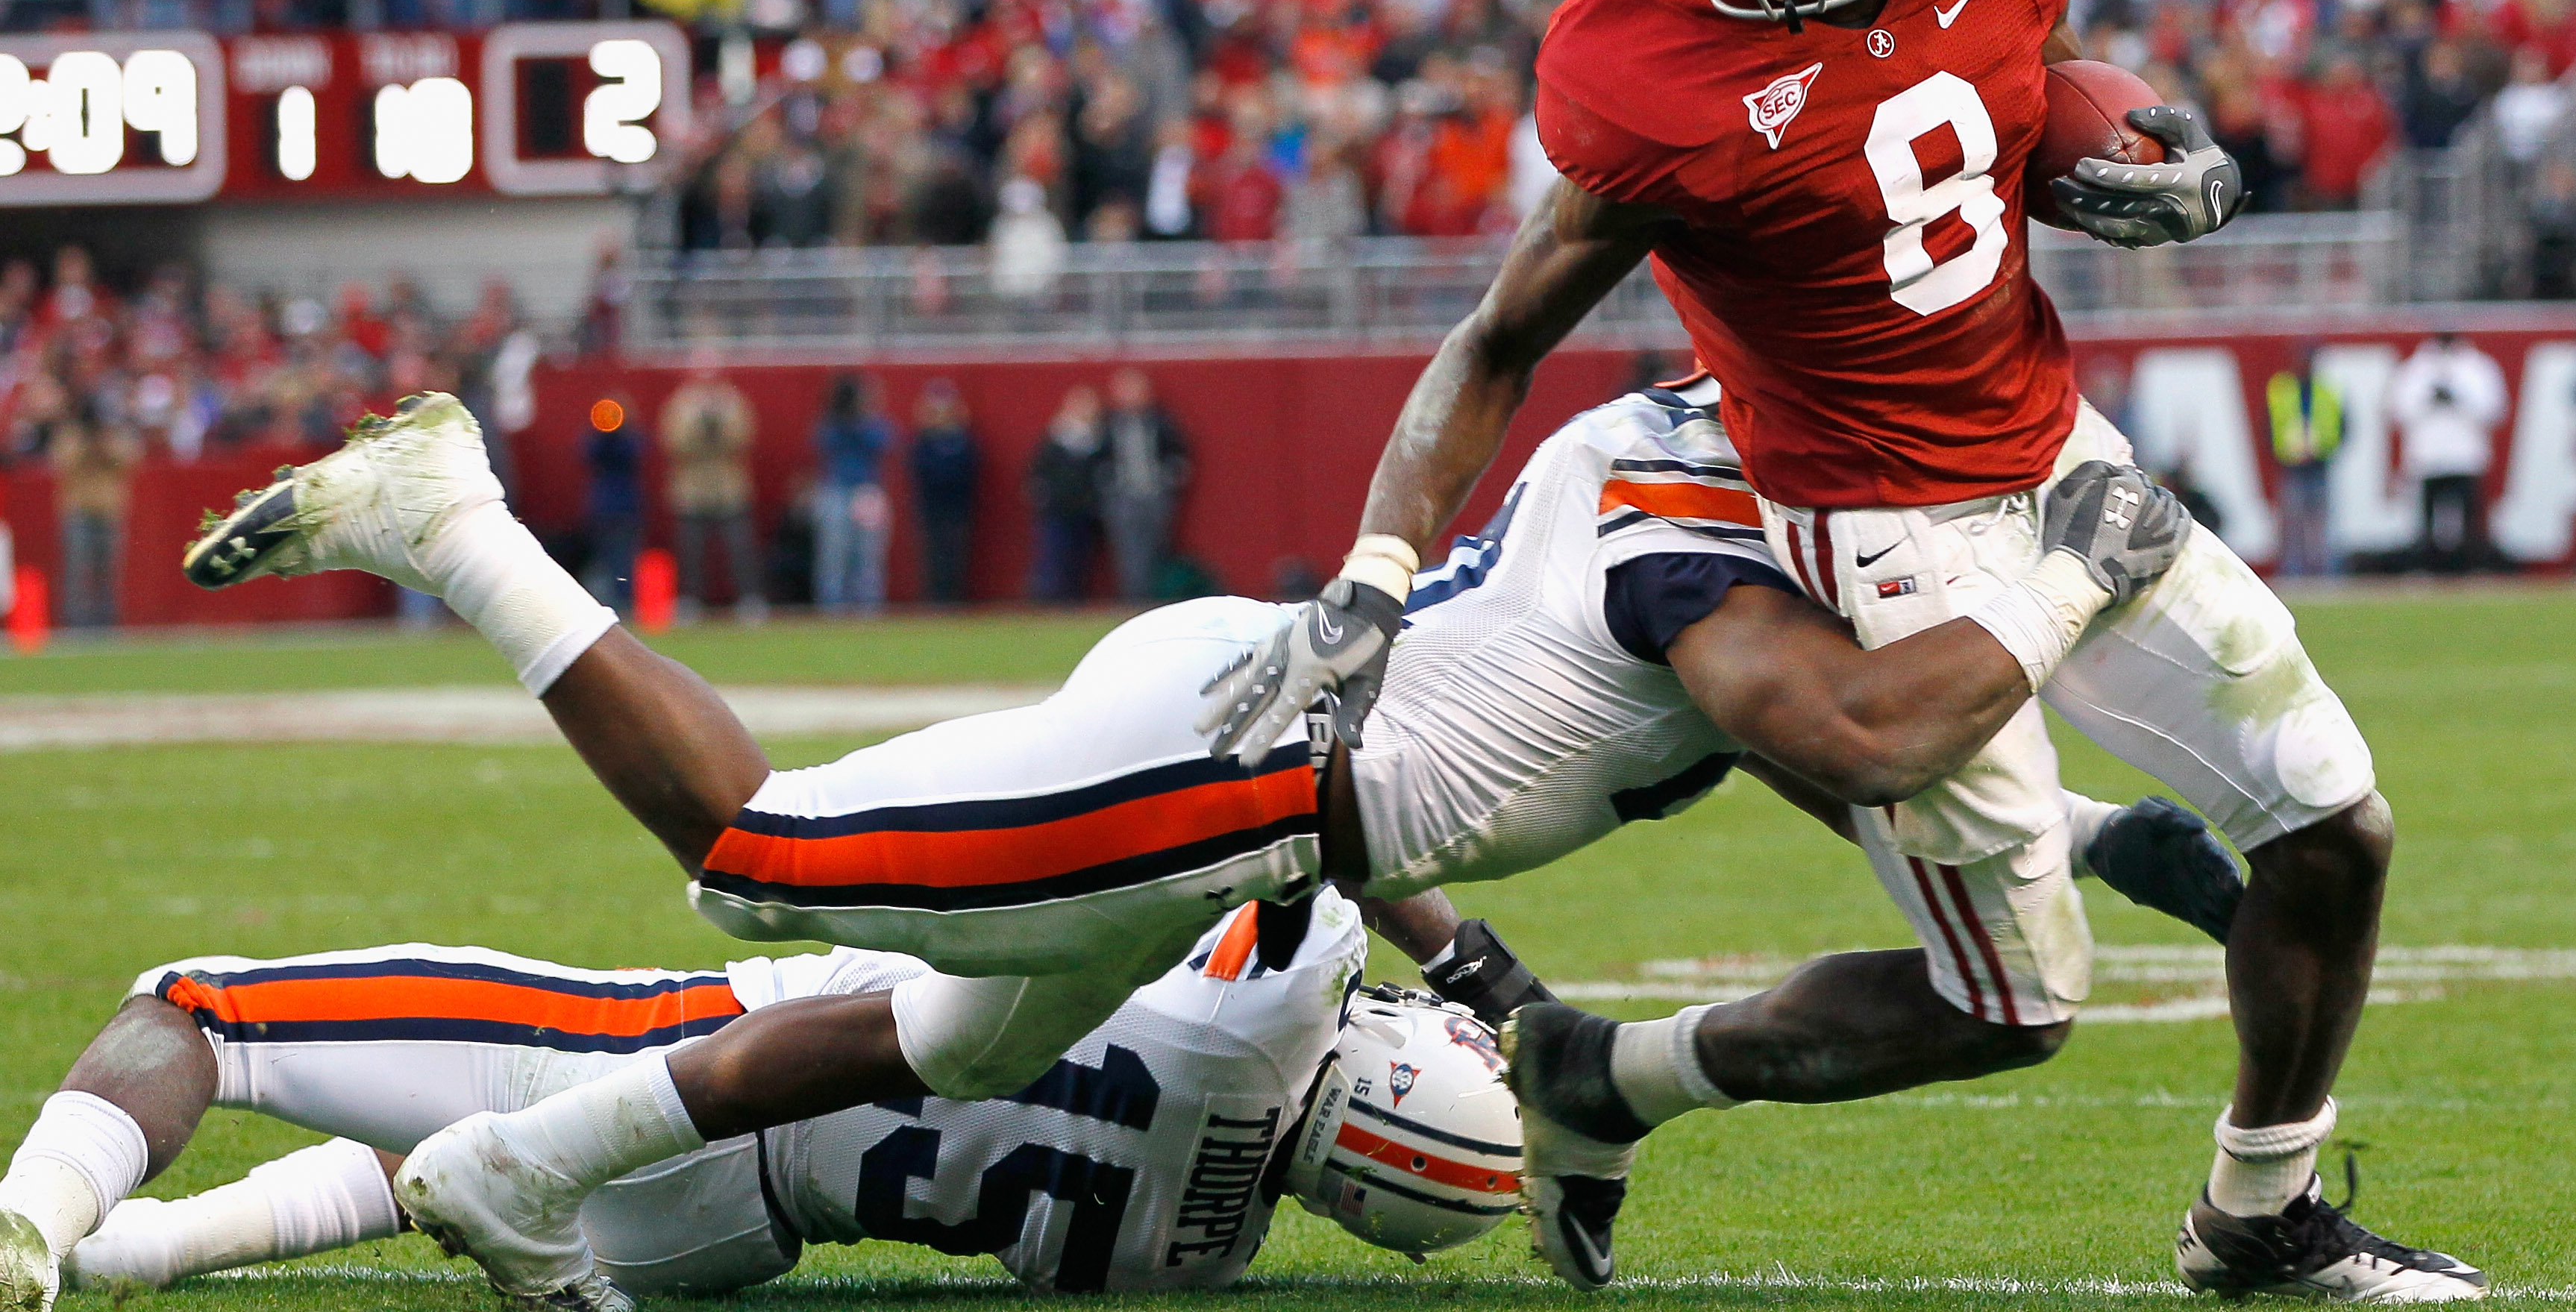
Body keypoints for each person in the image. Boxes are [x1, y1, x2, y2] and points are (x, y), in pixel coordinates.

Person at [1200, 0, 2474, 1301]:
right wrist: (1373, 569)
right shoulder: (1638, 66)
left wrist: (2143, 151)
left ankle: (2262, 1215)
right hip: (1875, 527)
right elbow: (1500, 336)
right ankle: (1613, 1074)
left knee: (2336, 827)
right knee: (2007, 1010)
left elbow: (2028, 89)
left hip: (2049, 446)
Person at [162, 386, 2234, 1312]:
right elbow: (1852, 729)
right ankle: (456, 522)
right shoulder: (1706, 567)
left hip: (1274, 739)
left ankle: (525, 1165)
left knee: (959, 1040)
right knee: (755, 860)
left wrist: (2101, 820)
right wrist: (2068, 577)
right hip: (1246, 775)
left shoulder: (1693, 506)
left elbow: (1805, 737)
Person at [3, 895, 1519, 1307]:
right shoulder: (1198, 1263)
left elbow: (1310, 802)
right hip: (730, 1243)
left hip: (690, 1069)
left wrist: (1480, 967)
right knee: (418, 1161)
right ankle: (131, 1256)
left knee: (201, 1005)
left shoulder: (1287, 975)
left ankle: (32, 1214)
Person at [2388, 332, 2508, 574]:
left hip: (2465, 457)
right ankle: (2429, 567)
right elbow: (2397, 409)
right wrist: (2429, 399)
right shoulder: (2416, 368)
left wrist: (2459, 398)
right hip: (2427, 457)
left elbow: (2495, 408)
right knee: (2426, 521)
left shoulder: (2477, 367)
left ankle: (2468, 567)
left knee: (2469, 520)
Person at [659, 364, 763, 620]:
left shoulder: (732, 402)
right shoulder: (681, 404)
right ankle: (689, 601)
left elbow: (744, 438)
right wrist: (699, 428)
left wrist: (720, 427)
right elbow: (673, 441)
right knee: (691, 551)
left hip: (729, 490)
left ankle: (749, 599)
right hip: (693, 491)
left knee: (740, 548)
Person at [1098, 368, 1189, 602]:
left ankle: (1154, 599)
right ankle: (1132, 598)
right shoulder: (1109, 424)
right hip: (1123, 497)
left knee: (1156, 548)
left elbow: (1179, 452)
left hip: (1155, 495)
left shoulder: (1160, 422)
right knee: (1128, 550)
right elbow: (1098, 458)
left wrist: (1169, 477)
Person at [47, 401, 137, 630]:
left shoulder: (113, 436)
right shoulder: (72, 435)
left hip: (109, 513)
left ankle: (107, 623)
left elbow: (129, 461)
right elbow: (62, 464)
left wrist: (104, 445)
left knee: (107, 572)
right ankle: (75, 624)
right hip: (79, 513)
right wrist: (87, 447)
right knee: (77, 574)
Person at [810, 374, 892, 614]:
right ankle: (832, 607)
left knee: (868, 553)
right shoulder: (831, 422)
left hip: (867, 492)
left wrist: (861, 419)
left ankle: (869, 607)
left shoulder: (870, 423)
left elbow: (885, 441)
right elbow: (823, 441)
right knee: (833, 552)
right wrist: (843, 418)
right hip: (836, 490)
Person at [2266, 345, 2347, 577]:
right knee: (2293, 522)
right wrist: (2284, 452)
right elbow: (2270, 425)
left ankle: (2324, 573)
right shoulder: (2282, 389)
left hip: (2319, 465)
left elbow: (2341, 426)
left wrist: (2323, 450)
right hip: (2292, 466)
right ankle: (2293, 573)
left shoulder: (2327, 390)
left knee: (2321, 523)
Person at [1027, 385, 1104, 601]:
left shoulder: (1099, 438)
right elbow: (1038, 471)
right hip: (1057, 510)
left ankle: (1073, 601)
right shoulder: (1056, 436)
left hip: (1085, 510)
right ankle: (1049, 601)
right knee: (1054, 558)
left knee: (1079, 559)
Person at [907, 380, 979, 606]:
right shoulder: (924, 440)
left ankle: (953, 599)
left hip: (957, 505)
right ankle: (935, 600)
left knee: (955, 554)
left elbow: (970, 468)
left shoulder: (962, 439)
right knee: (933, 554)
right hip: (932, 506)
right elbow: (919, 470)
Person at [577, 397, 642, 617]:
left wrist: (620, 432)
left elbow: (635, 452)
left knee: (624, 561)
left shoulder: (630, 439)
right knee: (604, 560)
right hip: (603, 509)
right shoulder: (596, 440)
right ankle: (607, 606)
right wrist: (603, 433)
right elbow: (586, 453)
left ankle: (627, 605)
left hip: (625, 509)